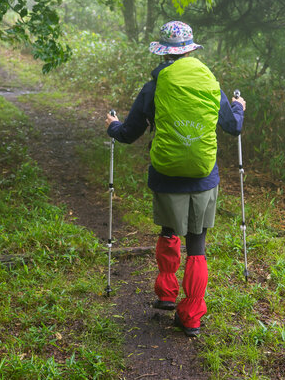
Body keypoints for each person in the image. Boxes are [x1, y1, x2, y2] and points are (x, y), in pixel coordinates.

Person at [105, 20, 245, 337]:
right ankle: (192, 317)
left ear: (164, 54)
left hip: (167, 175)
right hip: (203, 177)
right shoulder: (209, 82)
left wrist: (112, 125)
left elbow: (128, 133)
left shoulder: (154, 85)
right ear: (190, 50)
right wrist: (238, 107)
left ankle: (167, 295)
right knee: (197, 243)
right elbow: (233, 127)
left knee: (169, 231)